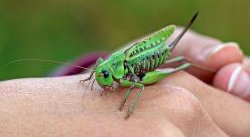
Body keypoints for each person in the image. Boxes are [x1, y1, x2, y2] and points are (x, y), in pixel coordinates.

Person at [0, 28, 250, 137]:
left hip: (149, 60)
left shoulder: (125, 76)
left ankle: (200, 66)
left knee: (180, 66)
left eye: (104, 75)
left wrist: (128, 108)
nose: (101, 79)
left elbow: (138, 86)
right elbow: (103, 62)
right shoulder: (106, 66)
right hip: (126, 61)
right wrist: (87, 76)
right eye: (100, 75)